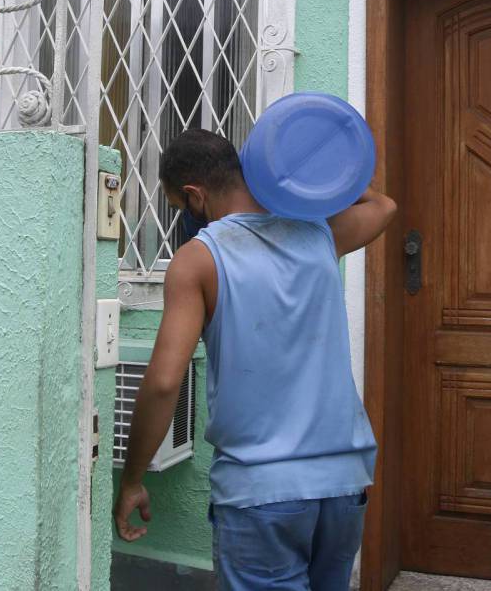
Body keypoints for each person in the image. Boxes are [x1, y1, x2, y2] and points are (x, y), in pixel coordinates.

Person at [113, 128, 397, 590]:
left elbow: (165, 382)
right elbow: (382, 207)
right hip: (343, 486)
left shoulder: (197, 259)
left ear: (194, 195)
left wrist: (132, 480)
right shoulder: (317, 233)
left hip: (259, 493)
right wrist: (308, 172)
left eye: (179, 206)